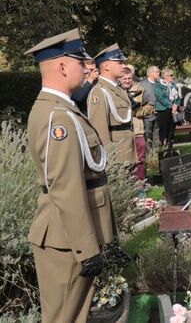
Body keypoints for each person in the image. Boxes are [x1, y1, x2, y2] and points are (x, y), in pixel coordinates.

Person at [24, 29, 115, 323]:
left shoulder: (63, 110)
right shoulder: (57, 117)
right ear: (62, 67)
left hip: (69, 237)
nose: (87, 68)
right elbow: (65, 187)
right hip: (66, 239)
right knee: (63, 317)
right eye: (80, 62)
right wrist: (87, 249)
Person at [88, 44, 136, 169]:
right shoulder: (99, 91)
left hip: (127, 147)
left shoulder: (119, 89)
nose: (124, 66)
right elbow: (99, 128)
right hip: (116, 153)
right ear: (106, 66)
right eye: (119, 62)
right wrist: (109, 156)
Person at [120, 66, 155, 180]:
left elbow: (151, 105)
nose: (127, 81)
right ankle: (127, 187)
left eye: (129, 78)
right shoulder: (115, 90)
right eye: (124, 78)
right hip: (122, 132)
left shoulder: (139, 88)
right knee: (125, 161)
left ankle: (141, 184)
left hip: (138, 130)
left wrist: (138, 112)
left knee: (140, 159)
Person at [154, 68, 181, 149]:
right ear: (164, 76)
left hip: (173, 111)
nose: (171, 77)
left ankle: (170, 148)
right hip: (163, 111)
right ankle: (162, 148)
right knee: (163, 131)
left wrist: (176, 105)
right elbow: (161, 98)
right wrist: (171, 106)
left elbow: (178, 98)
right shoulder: (158, 85)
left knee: (171, 131)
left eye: (172, 75)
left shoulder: (173, 86)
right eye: (169, 75)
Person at [139, 65, 160, 146]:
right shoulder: (142, 85)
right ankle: (148, 155)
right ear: (151, 73)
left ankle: (157, 155)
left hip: (159, 115)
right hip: (148, 116)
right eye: (157, 72)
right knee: (147, 137)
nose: (159, 73)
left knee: (157, 137)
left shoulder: (159, 84)